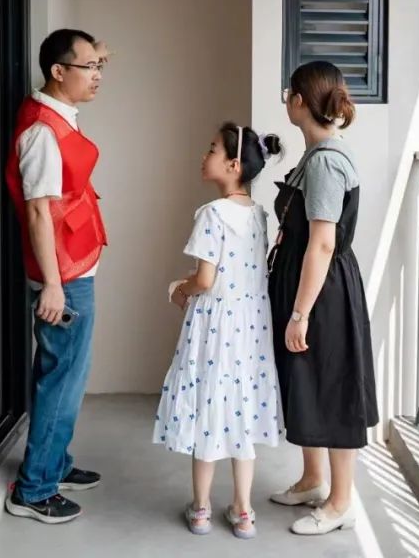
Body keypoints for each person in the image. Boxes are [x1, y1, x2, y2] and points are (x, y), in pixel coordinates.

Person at [154, 123, 284, 540]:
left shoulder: (211, 214)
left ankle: (201, 509)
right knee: (240, 406)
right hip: (251, 325)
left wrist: (180, 289)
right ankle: (243, 510)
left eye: (212, 150)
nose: (204, 155)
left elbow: (206, 280)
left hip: (216, 324)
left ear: (233, 165)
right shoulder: (258, 214)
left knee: (209, 406)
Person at [266, 61, 379, 535]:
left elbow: (323, 243)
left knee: (332, 388)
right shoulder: (315, 154)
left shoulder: (327, 161)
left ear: (299, 101)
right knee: (307, 383)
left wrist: (300, 313)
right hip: (308, 283)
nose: (285, 101)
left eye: (288, 94)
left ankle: (340, 502)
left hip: (321, 292)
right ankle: (313, 480)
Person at [4, 29, 109, 524]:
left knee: (65, 374)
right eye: (90, 67)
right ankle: (34, 489)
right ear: (58, 72)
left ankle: (55, 463)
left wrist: (94, 54)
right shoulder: (42, 132)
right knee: (61, 381)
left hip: (73, 262)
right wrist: (52, 284)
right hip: (63, 274)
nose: (99, 75)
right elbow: (38, 211)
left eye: (100, 65)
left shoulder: (57, 110)